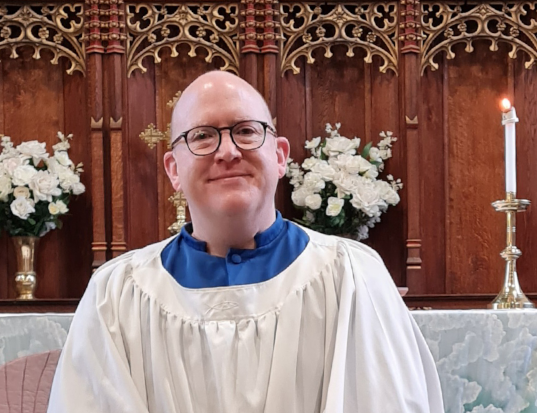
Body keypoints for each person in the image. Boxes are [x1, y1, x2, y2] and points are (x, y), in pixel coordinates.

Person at [47, 71, 444, 413]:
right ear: (173, 169)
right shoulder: (117, 296)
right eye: (202, 136)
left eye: (246, 131)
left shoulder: (352, 277)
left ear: (280, 155)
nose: (228, 151)